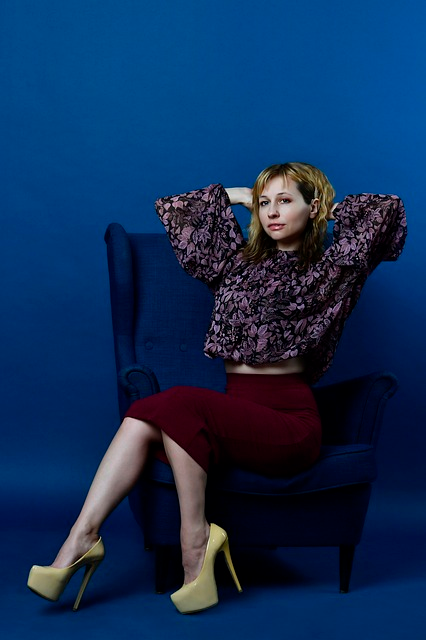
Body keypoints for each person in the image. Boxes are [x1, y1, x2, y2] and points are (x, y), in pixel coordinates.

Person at [27, 162, 407, 614]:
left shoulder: (333, 269)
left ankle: (195, 543)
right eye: (265, 204)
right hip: (237, 420)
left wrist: (324, 207)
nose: (272, 212)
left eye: (285, 201)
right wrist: (243, 195)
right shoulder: (234, 263)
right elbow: (183, 212)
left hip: (289, 426)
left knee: (176, 404)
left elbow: (386, 212)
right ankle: (81, 540)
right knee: (141, 420)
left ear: (314, 206)